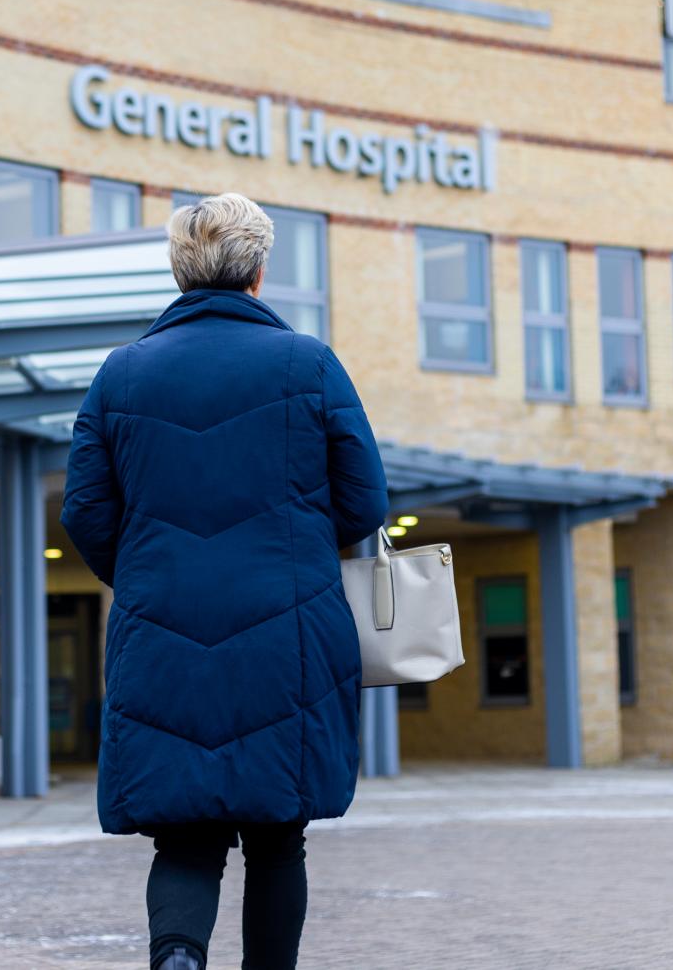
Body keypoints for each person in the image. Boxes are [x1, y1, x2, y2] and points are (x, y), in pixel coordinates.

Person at [62, 192, 389, 970]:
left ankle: (178, 960)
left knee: (184, 834)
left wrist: (143, 574)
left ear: (180, 271)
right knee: (278, 835)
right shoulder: (307, 364)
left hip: (161, 629)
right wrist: (303, 558)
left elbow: (84, 510)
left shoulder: (122, 374)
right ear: (259, 271)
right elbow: (366, 500)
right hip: (289, 632)